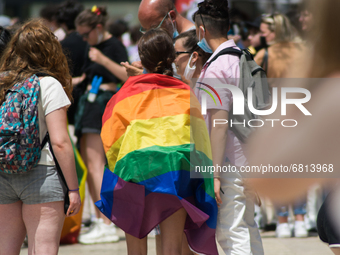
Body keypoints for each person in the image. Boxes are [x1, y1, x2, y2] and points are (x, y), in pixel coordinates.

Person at [96, 28, 218, 255]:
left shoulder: (124, 94)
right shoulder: (183, 91)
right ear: (172, 59)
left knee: (136, 251)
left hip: (134, 171)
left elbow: (111, 139)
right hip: (174, 173)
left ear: (141, 59)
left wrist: (118, 173)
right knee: (171, 250)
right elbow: (200, 138)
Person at [247, 0, 340, 253]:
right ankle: (299, 219)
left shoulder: (267, 55)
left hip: (287, 107)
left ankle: (286, 221)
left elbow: (265, 173)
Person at [0, 19, 81, 255]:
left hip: (3, 170)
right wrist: (73, 189)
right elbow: (60, 142)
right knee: (42, 249)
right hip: (41, 173)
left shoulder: (3, 82)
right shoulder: (49, 85)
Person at [192, 0, 264, 254]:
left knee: (231, 232)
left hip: (229, 162)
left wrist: (215, 173)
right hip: (250, 155)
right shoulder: (242, 56)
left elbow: (219, 124)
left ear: (202, 30)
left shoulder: (217, 67)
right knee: (246, 225)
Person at [74, 5, 128, 244]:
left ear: (97, 27)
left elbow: (127, 76)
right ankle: (99, 219)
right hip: (89, 107)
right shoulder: (91, 47)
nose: (85, 40)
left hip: (102, 107)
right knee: (89, 164)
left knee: (98, 166)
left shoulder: (114, 46)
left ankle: (106, 221)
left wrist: (103, 60)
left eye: (86, 34)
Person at [121, 0, 195, 77]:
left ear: (172, 16)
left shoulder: (195, 39)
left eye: (154, 28)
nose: (150, 34)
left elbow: (197, 84)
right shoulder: (169, 37)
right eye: (145, 30)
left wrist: (144, 75)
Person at [56, 0, 87, 125]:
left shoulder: (61, 46)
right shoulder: (90, 42)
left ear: (63, 24)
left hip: (67, 102)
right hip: (87, 100)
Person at [254, 13, 304, 83]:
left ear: (275, 32)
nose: (261, 35)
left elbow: (250, 81)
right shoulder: (304, 50)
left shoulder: (264, 55)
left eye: (263, 32)